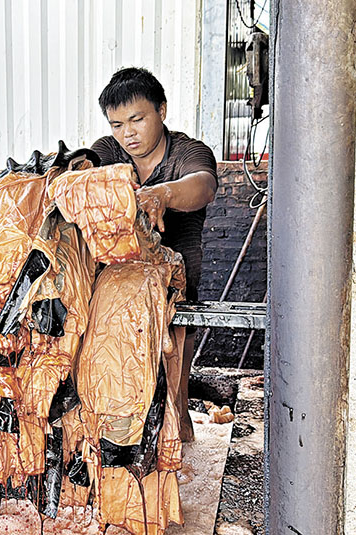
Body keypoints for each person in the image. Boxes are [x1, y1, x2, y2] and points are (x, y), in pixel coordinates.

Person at [90, 67, 218, 441]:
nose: (127, 133)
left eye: (136, 119)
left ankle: (179, 434)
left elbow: (204, 185)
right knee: (121, 375)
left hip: (177, 281)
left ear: (161, 110)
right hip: (119, 280)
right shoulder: (107, 151)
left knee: (173, 385)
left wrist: (162, 194)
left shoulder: (188, 151)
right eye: (116, 124)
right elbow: (81, 176)